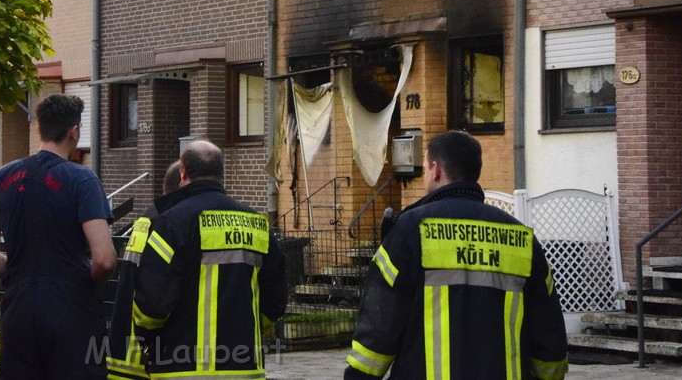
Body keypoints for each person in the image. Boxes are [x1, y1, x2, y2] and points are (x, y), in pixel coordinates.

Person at [344, 131, 569, 380]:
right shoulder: (522, 238)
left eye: (426, 169)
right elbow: (549, 336)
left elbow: (380, 324)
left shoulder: (410, 230)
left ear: (436, 169)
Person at [0, 93, 116, 380]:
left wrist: (18, 272)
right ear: (73, 132)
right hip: (71, 313)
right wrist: (79, 279)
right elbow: (105, 259)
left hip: (18, 311)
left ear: (40, 128)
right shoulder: (82, 180)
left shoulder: (0, 178)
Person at [132, 140, 288, 378]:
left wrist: (148, 337)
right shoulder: (257, 223)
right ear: (220, 173)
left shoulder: (172, 223)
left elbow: (151, 306)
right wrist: (247, 326)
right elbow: (275, 298)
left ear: (183, 172)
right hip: (244, 368)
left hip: (180, 367)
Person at [106, 160, 182, 380]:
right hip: (145, 353)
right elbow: (155, 297)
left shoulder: (147, 219)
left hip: (124, 352)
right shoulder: (167, 225)